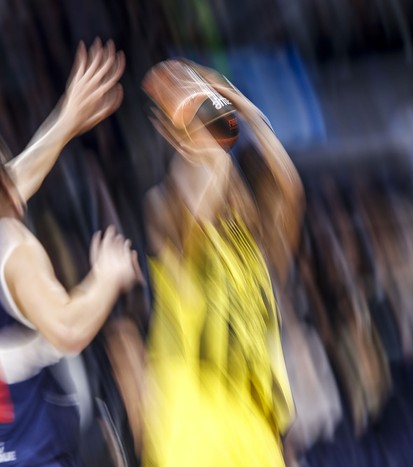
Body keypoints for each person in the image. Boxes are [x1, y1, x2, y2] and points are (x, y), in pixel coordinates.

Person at [0, 39, 142, 467]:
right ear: (5, 189)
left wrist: (66, 118)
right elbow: (68, 327)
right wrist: (107, 276)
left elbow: (13, 176)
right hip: (23, 455)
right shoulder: (14, 251)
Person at [139, 62, 304, 466]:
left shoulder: (259, 250)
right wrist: (204, 125)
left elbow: (291, 190)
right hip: (193, 418)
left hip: (254, 425)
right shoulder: (165, 211)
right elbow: (197, 208)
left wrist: (246, 111)